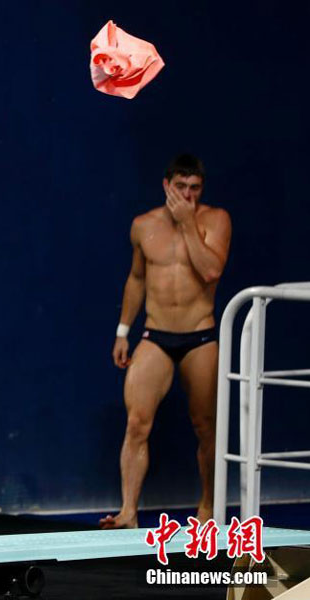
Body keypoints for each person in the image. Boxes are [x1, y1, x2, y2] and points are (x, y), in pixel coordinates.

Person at [101, 154, 232, 530]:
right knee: (137, 423)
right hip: (156, 334)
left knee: (205, 425)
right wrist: (123, 331)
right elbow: (136, 279)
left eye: (195, 188)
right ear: (166, 185)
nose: (187, 195)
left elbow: (211, 270)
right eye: (180, 187)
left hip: (200, 335)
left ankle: (207, 507)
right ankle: (128, 512)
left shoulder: (215, 220)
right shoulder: (143, 225)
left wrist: (189, 224)